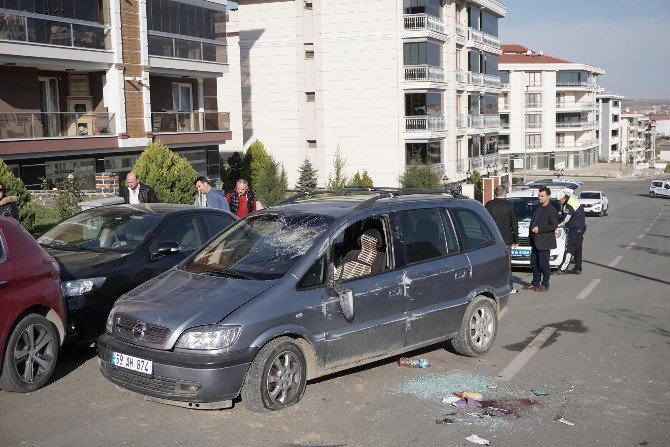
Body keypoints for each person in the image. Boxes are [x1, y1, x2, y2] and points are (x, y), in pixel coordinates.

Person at [485, 185, 519, 294]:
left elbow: (484, 222)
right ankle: (509, 286)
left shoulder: (489, 205)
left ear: (495, 193)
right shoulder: (509, 205)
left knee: (492, 263)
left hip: (491, 239)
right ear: (505, 193)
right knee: (506, 263)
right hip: (506, 238)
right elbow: (514, 223)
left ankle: (493, 286)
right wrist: (516, 239)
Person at [527, 186, 558, 292]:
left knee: (543, 264)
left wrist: (539, 229)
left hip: (544, 241)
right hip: (535, 240)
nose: (540, 198)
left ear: (548, 196)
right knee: (534, 263)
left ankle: (545, 284)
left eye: (542, 196)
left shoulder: (551, 210)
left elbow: (554, 225)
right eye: (539, 196)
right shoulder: (539, 207)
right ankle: (535, 282)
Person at [555, 188, 586, 275]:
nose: (559, 202)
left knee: (570, 249)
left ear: (563, 198)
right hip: (581, 228)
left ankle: (562, 269)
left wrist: (555, 226)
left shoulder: (569, 205)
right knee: (578, 249)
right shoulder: (572, 199)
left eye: (559, 201)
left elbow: (565, 220)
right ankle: (578, 268)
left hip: (575, 229)